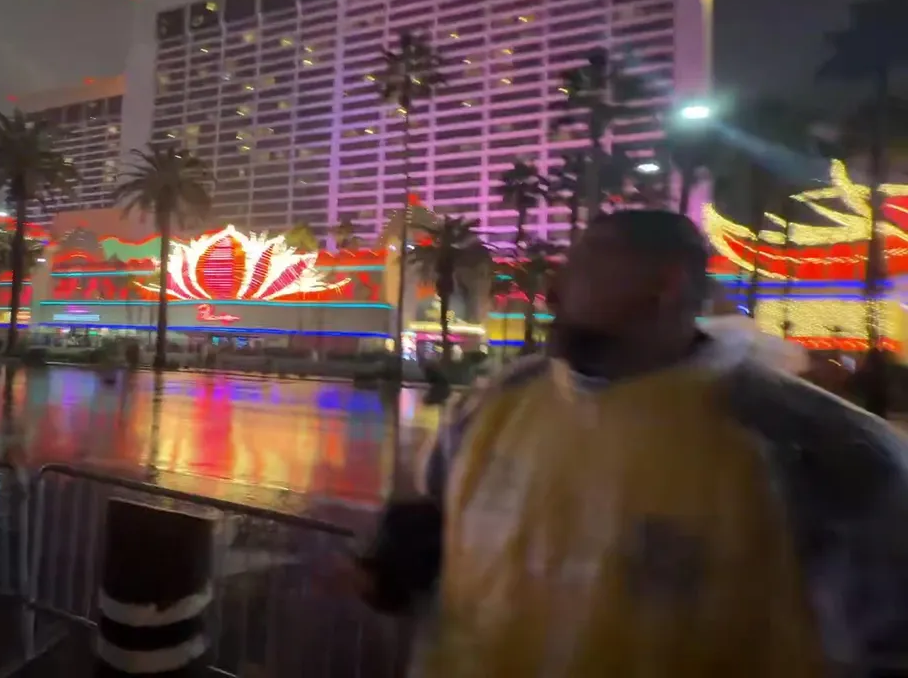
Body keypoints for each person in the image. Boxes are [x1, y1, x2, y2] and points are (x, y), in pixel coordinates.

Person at [356, 210, 908, 676]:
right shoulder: (496, 402)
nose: (553, 290)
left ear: (664, 286)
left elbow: (881, 647)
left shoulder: (818, 447)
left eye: (585, 266)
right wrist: (393, 568)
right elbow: (432, 532)